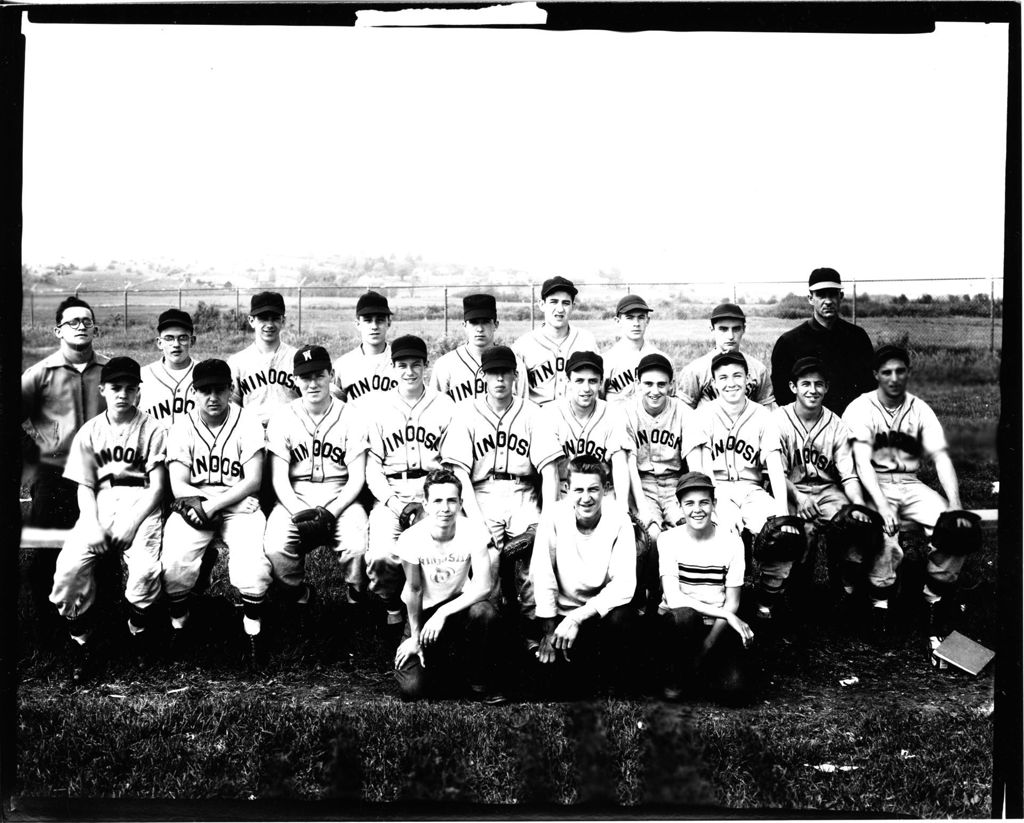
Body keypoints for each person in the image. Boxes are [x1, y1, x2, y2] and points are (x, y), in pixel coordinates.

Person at [842, 345, 976, 654]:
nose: (894, 378)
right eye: (886, 372)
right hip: (874, 483)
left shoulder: (919, 408)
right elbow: (861, 464)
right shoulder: (861, 408)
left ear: (908, 373)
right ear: (875, 375)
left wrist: (954, 503)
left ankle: (934, 598)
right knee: (885, 531)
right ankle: (880, 605)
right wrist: (883, 505)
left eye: (900, 371)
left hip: (910, 483)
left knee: (957, 528)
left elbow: (941, 458)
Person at [48, 357, 167, 684]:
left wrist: (133, 522)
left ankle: (137, 632)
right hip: (98, 504)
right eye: (116, 387)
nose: (123, 394)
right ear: (103, 390)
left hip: (140, 503)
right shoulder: (90, 431)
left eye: (131, 388)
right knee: (68, 572)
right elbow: (84, 487)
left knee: (145, 571)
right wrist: (93, 524)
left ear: (139, 392)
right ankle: (83, 644)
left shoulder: (153, 429)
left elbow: (158, 488)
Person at [161, 359, 272, 669]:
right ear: (194, 392)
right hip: (201, 505)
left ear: (230, 389)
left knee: (252, 566)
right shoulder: (183, 425)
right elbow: (178, 484)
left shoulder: (246, 421)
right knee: (173, 562)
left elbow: (253, 480)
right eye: (205, 390)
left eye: (219, 390)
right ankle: (179, 625)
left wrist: (215, 504)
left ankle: (254, 631)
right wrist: (221, 503)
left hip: (231, 507)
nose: (213, 397)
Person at [440, 345, 555, 614]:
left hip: (522, 492)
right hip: (481, 492)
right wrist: (477, 522)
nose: (500, 380)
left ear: (516, 375)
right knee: (486, 557)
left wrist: (548, 519)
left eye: (505, 373)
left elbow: (549, 470)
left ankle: (532, 625)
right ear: (482, 376)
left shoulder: (533, 412)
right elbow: (459, 473)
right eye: (493, 373)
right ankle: (488, 623)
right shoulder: (464, 412)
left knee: (536, 555)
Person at [689, 352, 796, 621]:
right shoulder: (703, 415)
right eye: (723, 378)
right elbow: (699, 471)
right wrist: (711, 507)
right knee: (723, 530)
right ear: (714, 383)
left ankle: (767, 595)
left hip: (752, 489)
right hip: (717, 489)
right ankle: (719, 600)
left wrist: (781, 512)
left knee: (779, 534)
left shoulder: (763, 415)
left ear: (748, 380)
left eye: (737, 375)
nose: (731, 383)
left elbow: (774, 465)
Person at [363, 335, 457, 642]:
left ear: (425, 366)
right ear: (392, 368)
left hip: (433, 492)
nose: (409, 371)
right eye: (402, 365)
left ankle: (430, 609)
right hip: (392, 492)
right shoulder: (378, 407)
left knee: (437, 554)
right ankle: (393, 604)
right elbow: (373, 466)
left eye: (416, 364)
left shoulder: (444, 405)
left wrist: (430, 501)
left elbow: (450, 461)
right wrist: (395, 503)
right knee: (381, 557)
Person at [263, 345, 369, 612]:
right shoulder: (283, 417)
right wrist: (300, 512)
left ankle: (356, 596)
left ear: (331, 375)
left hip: (341, 493)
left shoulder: (352, 416)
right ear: (295, 381)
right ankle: (299, 593)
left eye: (319, 375)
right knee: (276, 547)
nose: (312, 383)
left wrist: (331, 512)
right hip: (295, 495)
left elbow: (357, 477)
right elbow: (279, 478)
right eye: (305, 377)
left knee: (357, 547)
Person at [393, 469, 506, 704]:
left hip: (458, 607)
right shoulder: (411, 538)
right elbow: (414, 590)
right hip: (423, 612)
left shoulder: (474, 531)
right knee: (412, 690)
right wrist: (415, 635)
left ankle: (478, 680)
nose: (445, 508)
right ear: (425, 503)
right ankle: (443, 662)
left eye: (451, 500)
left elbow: (484, 586)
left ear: (460, 502)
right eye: (437, 501)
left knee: (484, 612)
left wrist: (444, 613)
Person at [528, 457, 638, 697]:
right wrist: (548, 632)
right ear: (567, 489)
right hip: (560, 617)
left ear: (605, 489)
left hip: (597, 615)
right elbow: (544, 575)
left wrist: (578, 618)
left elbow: (624, 585)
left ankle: (607, 682)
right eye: (579, 489)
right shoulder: (553, 516)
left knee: (624, 617)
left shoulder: (619, 518)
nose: (586, 497)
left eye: (593, 489)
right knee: (547, 687)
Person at [773, 357, 876, 604]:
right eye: (805, 383)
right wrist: (798, 498)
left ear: (827, 387)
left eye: (819, 384)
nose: (812, 389)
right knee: (802, 532)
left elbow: (849, 476)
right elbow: (776, 473)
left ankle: (845, 591)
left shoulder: (837, 425)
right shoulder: (778, 419)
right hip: (791, 488)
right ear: (792, 387)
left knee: (853, 524)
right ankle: (797, 597)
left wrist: (858, 506)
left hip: (828, 491)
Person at [657, 472, 753, 705]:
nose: (697, 509)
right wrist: (728, 616)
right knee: (685, 616)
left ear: (714, 504)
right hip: (677, 623)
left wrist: (709, 643)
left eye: (704, 502)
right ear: (679, 507)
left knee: (735, 693)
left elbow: (732, 601)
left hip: (714, 627)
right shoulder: (668, 539)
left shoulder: (732, 542)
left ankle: (703, 668)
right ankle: (677, 673)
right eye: (689, 503)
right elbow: (675, 598)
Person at [621, 354, 700, 614]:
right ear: (637, 383)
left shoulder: (683, 412)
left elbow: (693, 460)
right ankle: (647, 593)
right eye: (648, 384)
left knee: (687, 528)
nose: (655, 390)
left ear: (671, 385)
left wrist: (695, 499)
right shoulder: (626, 411)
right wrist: (642, 507)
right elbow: (629, 463)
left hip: (674, 483)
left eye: (661, 384)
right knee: (652, 533)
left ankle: (680, 593)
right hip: (641, 483)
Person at [22, 296, 109, 528]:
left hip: (102, 468)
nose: (81, 326)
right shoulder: (39, 374)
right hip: (55, 471)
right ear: (57, 331)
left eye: (86, 322)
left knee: (104, 550)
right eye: (73, 322)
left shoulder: (111, 372)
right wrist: (36, 453)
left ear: (95, 330)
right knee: (49, 550)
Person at [770, 268, 874, 414]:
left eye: (833, 294)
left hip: (850, 424)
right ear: (810, 298)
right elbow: (782, 394)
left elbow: (869, 386)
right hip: (808, 426)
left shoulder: (857, 337)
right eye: (820, 295)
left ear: (841, 296)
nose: (828, 301)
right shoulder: (789, 342)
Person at [534, 351, 631, 504]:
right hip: (563, 490)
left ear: (601, 383)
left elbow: (620, 465)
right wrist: (551, 516)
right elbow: (550, 473)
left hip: (601, 492)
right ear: (568, 382)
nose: (586, 388)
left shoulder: (613, 413)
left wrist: (622, 509)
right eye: (579, 381)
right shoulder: (549, 413)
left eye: (592, 381)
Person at [513, 276, 599, 407]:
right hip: (538, 419)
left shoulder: (586, 340)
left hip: (577, 419)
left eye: (565, 303)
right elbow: (517, 395)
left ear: (573, 306)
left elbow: (596, 386)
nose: (560, 309)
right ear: (542, 305)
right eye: (553, 302)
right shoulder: (523, 345)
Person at [429, 293, 527, 403]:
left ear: (496, 325)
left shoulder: (515, 364)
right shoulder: (445, 365)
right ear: (464, 325)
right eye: (474, 322)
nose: (480, 329)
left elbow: (524, 409)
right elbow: (435, 410)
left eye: (485, 322)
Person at [678, 302, 774, 410]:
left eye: (736, 329)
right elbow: (683, 412)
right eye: (723, 329)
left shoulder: (758, 370)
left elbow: (767, 410)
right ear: (712, 329)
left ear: (744, 329)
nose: (730, 336)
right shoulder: (695, 370)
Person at [227, 291, 300, 427]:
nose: (269, 324)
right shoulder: (237, 362)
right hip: (252, 433)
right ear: (251, 321)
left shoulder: (297, 358)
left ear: (283, 321)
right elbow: (232, 407)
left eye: (275, 318)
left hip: (291, 431)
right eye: (263, 318)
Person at [331, 290, 398, 405]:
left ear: (389, 323)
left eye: (380, 320)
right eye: (368, 320)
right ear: (357, 324)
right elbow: (334, 407)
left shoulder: (401, 361)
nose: (374, 326)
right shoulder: (343, 365)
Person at [602, 294, 667, 404]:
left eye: (641, 318)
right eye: (629, 318)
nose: (636, 324)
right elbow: (598, 402)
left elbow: (670, 399)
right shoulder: (606, 361)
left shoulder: (662, 359)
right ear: (618, 321)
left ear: (648, 321)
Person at [139, 308, 197, 429]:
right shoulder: (142, 376)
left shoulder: (205, 373)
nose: (176, 344)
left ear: (192, 341)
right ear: (159, 343)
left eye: (182, 338)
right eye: (169, 338)